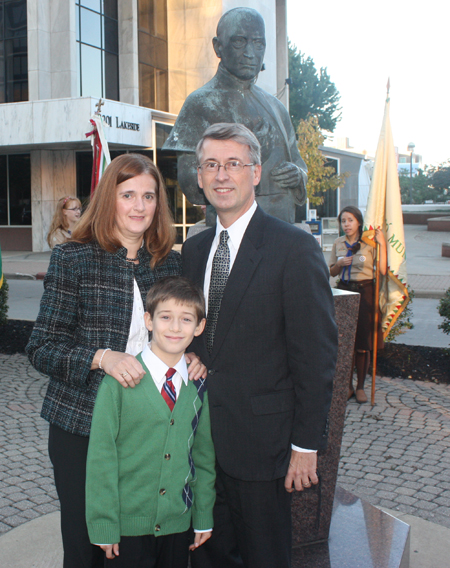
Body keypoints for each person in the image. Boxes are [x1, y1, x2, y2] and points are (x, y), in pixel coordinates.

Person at [26, 154, 205, 568]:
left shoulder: (169, 263)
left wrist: (189, 354)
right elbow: (41, 346)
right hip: (81, 427)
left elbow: (174, 330)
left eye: (148, 196)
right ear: (110, 199)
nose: (139, 206)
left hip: (147, 431)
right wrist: (100, 357)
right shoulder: (74, 259)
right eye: (128, 195)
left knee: (133, 547)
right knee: (87, 546)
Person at [182, 123, 338, 568]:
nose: (222, 175)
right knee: (208, 556)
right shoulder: (194, 251)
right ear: (199, 176)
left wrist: (306, 446)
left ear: (256, 172)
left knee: (265, 558)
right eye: (211, 165)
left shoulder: (293, 248)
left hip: (264, 449)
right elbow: (201, 333)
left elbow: (316, 355)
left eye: (234, 164)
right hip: (201, 441)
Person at [86, 276, 216, 568]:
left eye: (186, 319)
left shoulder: (198, 387)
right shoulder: (118, 383)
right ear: (148, 320)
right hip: (127, 529)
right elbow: (101, 458)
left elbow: (203, 457)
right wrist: (105, 523)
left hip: (177, 526)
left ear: (199, 327)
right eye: (165, 317)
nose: (174, 327)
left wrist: (203, 516)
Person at [163, 7, 307, 224]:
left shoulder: (276, 106)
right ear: (218, 46)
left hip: (283, 231)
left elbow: (299, 163)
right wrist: (249, 155)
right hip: (232, 231)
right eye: (239, 42)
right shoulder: (200, 102)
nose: (250, 53)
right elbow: (191, 184)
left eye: (258, 44)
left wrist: (297, 175)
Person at [329, 206, 387, 404]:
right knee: (345, 344)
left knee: (362, 344)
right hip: (344, 291)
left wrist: (382, 244)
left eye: (350, 220)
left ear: (359, 222)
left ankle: (361, 387)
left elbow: (382, 271)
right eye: (343, 221)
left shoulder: (369, 244)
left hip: (365, 293)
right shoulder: (338, 243)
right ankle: (347, 387)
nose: (346, 224)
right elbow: (331, 272)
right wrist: (339, 264)